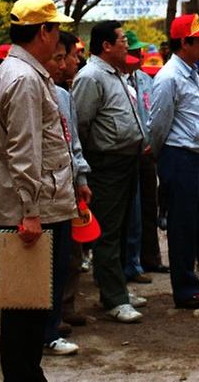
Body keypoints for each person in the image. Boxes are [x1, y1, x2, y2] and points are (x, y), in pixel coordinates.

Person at [0, 0, 76, 380]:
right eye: (57, 29)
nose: (59, 39)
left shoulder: (18, 72)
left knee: (28, 309)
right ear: (43, 31)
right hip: (33, 214)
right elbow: (23, 152)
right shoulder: (23, 79)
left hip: (34, 207)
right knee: (26, 310)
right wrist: (31, 213)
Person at [150, 14, 199, 309]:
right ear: (184, 43)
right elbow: (158, 124)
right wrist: (163, 157)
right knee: (182, 226)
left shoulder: (192, 71)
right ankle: (185, 288)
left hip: (196, 157)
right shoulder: (169, 77)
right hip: (179, 155)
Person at [72, 20, 146, 323]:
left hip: (127, 161)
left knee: (124, 227)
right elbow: (80, 125)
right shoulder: (90, 76)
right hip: (106, 163)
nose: (126, 44)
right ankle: (113, 297)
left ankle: (117, 288)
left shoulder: (115, 74)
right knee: (108, 232)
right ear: (106, 45)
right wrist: (88, 165)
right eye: (121, 40)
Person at [39, 31, 92, 356]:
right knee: (42, 266)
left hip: (67, 188)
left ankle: (54, 322)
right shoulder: (30, 89)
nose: (63, 64)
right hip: (41, 193)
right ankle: (42, 330)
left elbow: (73, 143)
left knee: (65, 260)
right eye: (57, 58)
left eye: (65, 57)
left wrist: (81, 177)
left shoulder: (64, 95)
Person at [122, 30, 154, 284]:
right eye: (133, 52)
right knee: (129, 211)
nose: (138, 56)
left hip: (148, 151)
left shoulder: (145, 79)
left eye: (139, 52)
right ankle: (129, 262)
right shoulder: (117, 80)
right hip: (125, 153)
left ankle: (149, 257)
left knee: (147, 206)